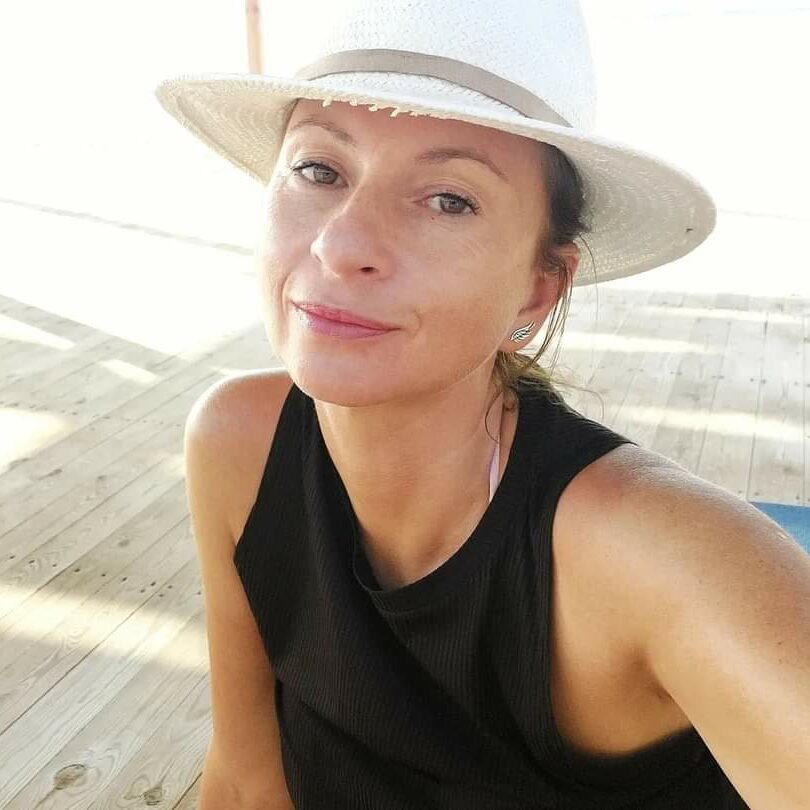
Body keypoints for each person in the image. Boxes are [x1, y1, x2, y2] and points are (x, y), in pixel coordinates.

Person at [157, 0, 810, 807]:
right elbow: (246, 778)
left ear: (538, 288)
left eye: (448, 199)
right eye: (320, 170)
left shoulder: (654, 554)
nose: (341, 244)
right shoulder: (239, 444)